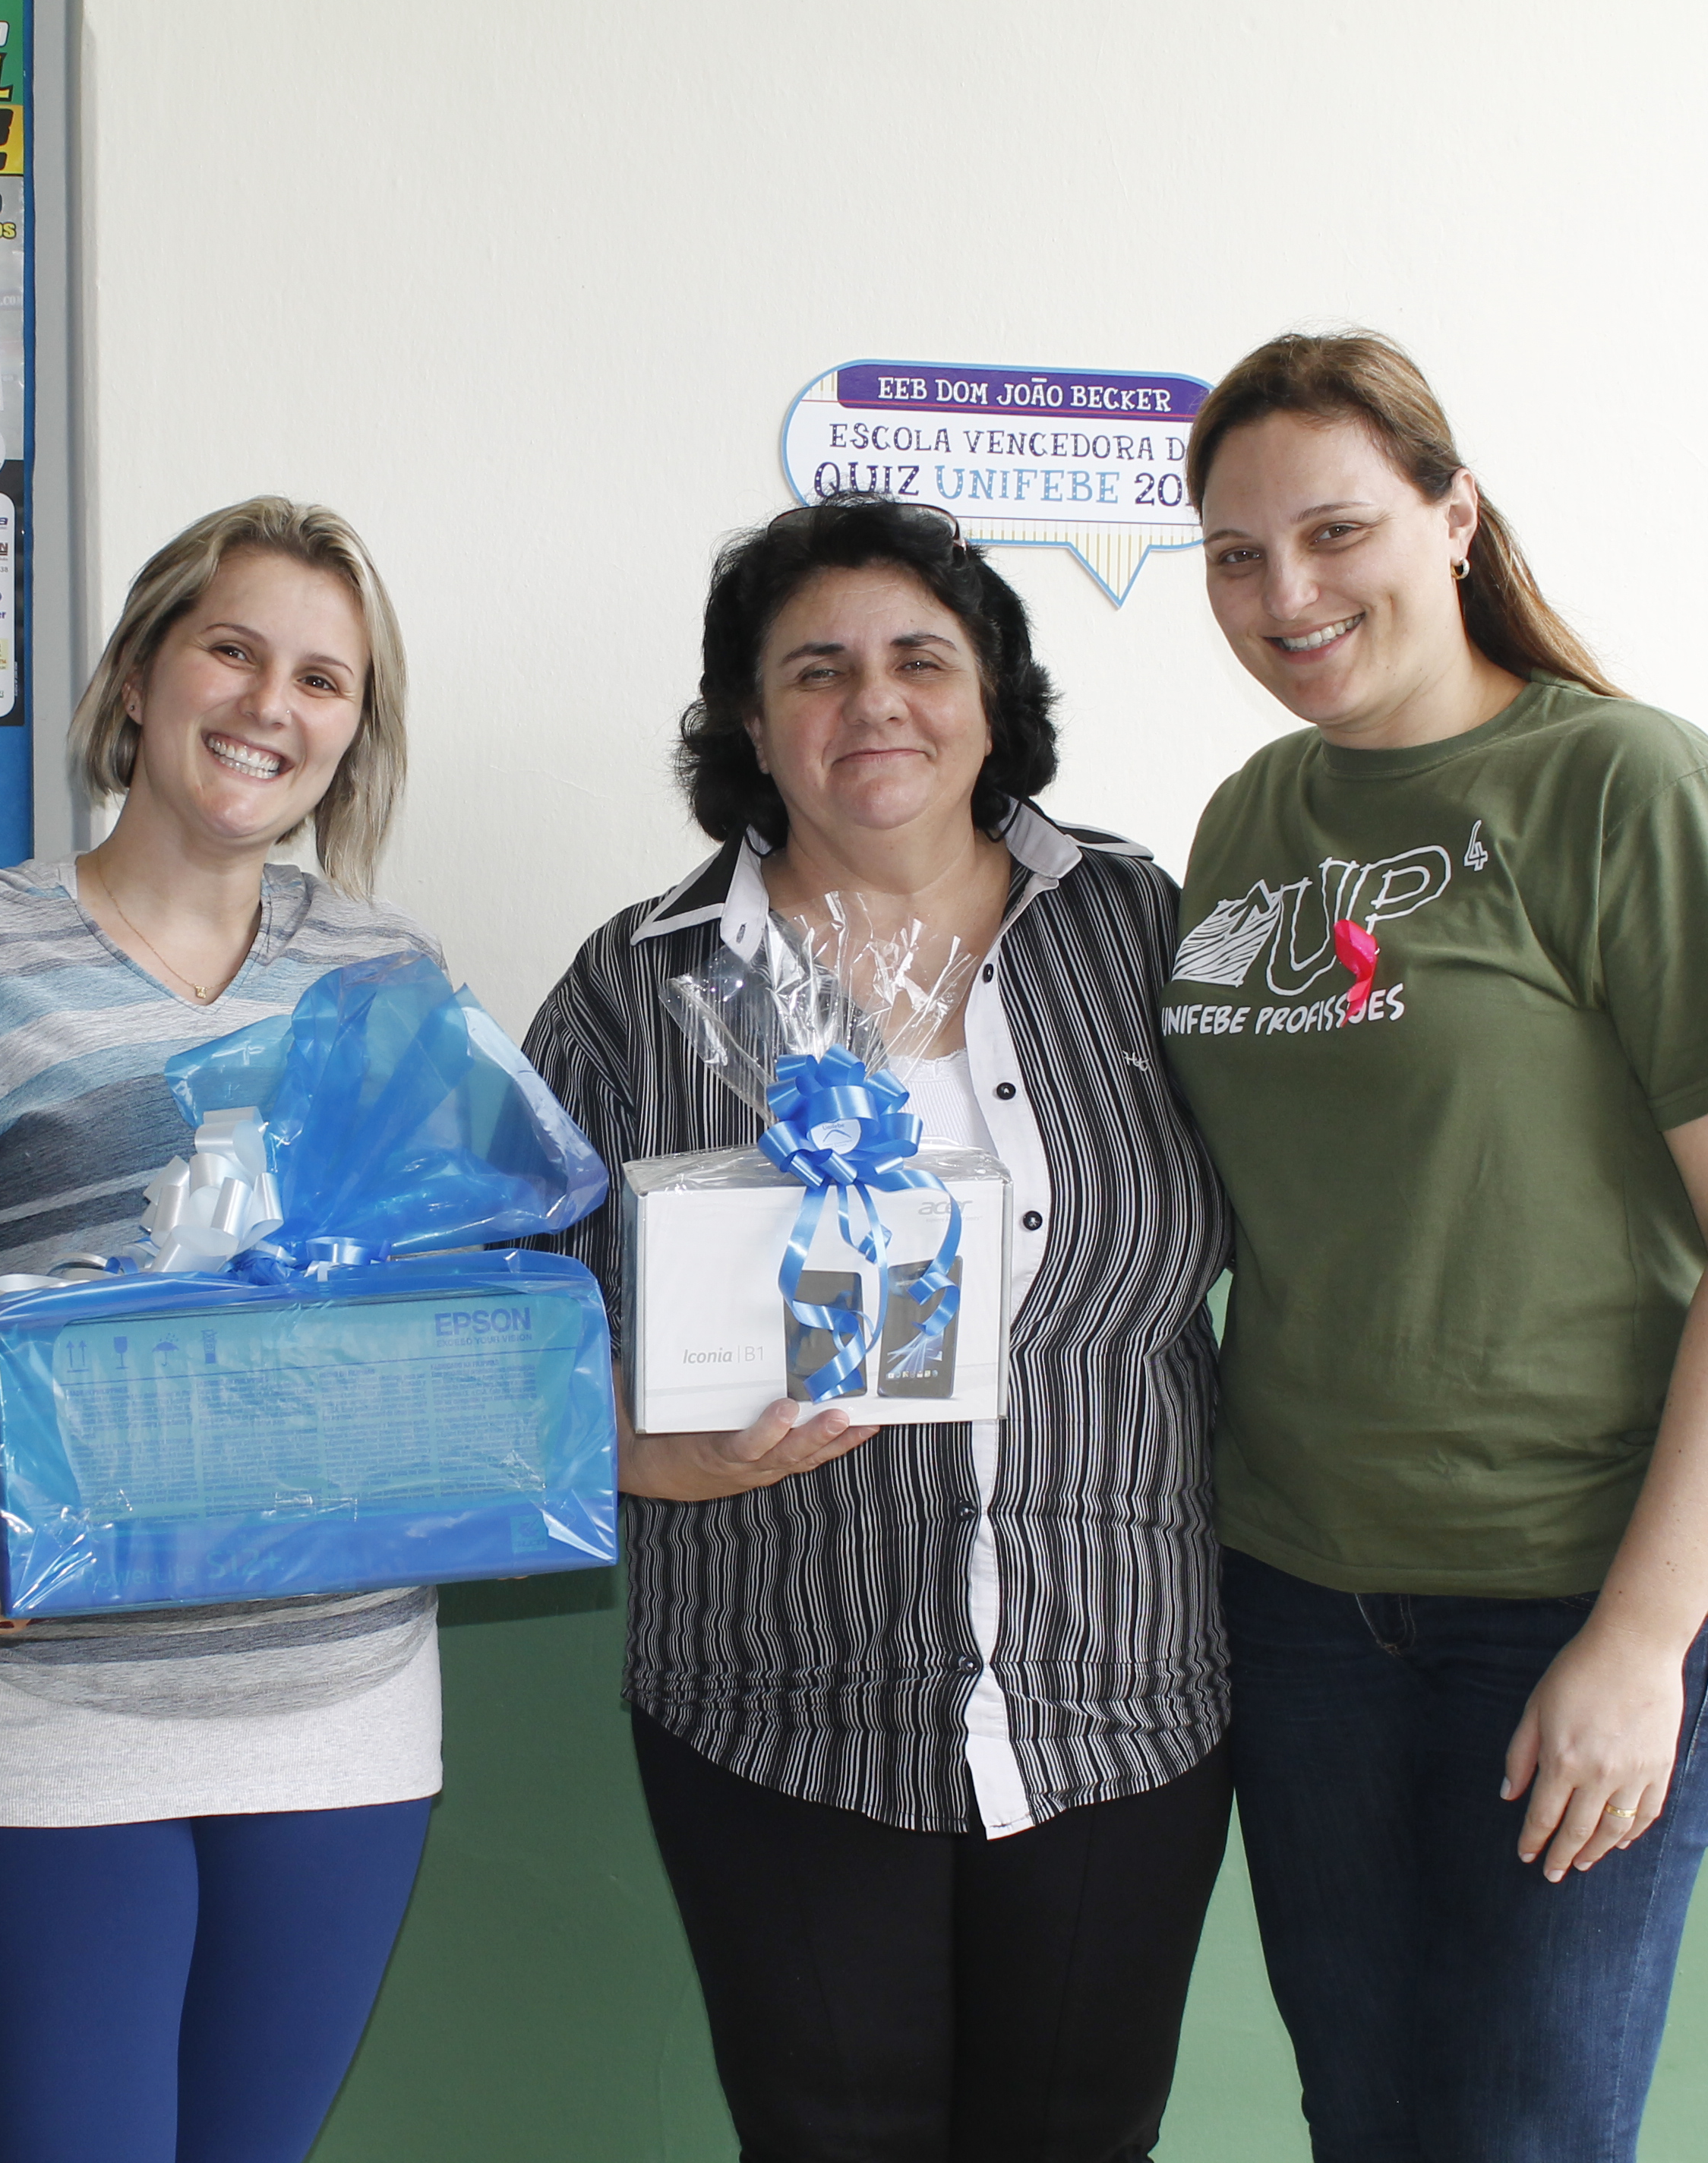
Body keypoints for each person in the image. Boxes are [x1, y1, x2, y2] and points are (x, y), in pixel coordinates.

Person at [1166, 329, 1708, 2159]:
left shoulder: (1624, 784)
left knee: (1524, 2135)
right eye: (1237, 554)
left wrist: (1642, 1640)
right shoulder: (1248, 821)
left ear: (1452, 516)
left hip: (1574, 1594)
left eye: (1335, 530)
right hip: (1297, 1603)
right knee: (1371, 2124)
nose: (1285, 592)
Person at [522, 495, 1238, 2161]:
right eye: (817, 670)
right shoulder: (647, 982)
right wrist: (647, 1451)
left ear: (993, 696)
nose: (876, 703)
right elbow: (508, 1321)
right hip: (775, 1710)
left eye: (923, 657)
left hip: (1119, 1705)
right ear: (752, 725)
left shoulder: (1139, 929)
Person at [0, 497, 438, 2163]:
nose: (269, 705)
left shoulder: (390, 976)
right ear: (144, 675)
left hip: (343, 1701)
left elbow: (434, 1304)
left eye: (324, 679)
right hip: (33, 1702)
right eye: (233, 648)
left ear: (352, 736)